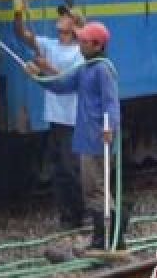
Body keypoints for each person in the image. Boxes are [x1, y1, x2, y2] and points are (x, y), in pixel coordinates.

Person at [28, 21, 124, 251]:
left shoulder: (102, 69)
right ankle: (108, 238)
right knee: (92, 188)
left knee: (96, 188)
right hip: (85, 138)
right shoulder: (85, 69)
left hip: (97, 139)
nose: (79, 44)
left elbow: (111, 103)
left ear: (96, 45)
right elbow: (61, 86)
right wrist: (38, 75)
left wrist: (109, 128)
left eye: (83, 41)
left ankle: (106, 240)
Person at [13, 3, 85, 229]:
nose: (61, 18)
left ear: (75, 26)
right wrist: (18, 12)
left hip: (73, 119)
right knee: (58, 169)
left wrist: (46, 68)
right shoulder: (49, 45)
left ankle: (78, 215)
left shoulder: (79, 53)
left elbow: (69, 80)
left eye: (66, 17)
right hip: (55, 118)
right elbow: (22, 35)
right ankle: (66, 217)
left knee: (70, 168)